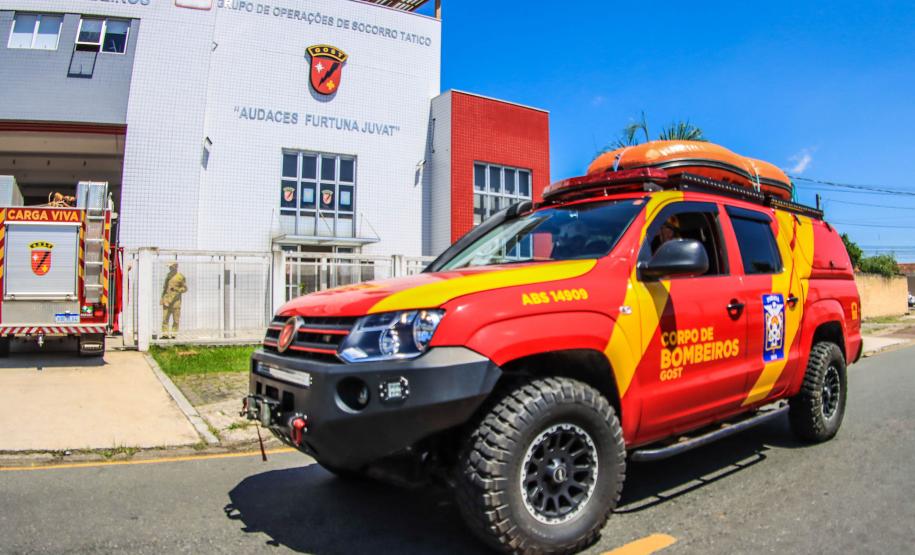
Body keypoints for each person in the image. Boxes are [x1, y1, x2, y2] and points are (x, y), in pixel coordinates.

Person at [161, 262, 187, 339]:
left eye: (171, 267)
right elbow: (165, 288)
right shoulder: (168, 275)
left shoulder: (180, 277)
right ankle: (165, 335)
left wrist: (177, 290)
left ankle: (174, 335)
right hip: (167, 300)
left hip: (176, 302)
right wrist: (162, 299)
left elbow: (185, 288)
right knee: (165, 319)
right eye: (169, 267)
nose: (170, 268)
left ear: (175, 267)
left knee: (176, 320)